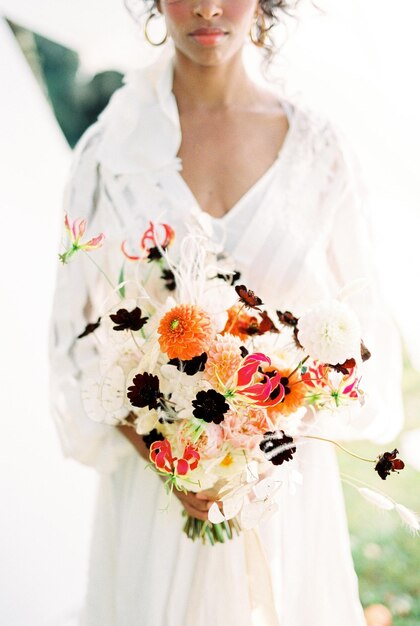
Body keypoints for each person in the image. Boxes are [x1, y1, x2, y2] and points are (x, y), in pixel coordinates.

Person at [49, 1, 403, 624]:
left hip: (284, 497)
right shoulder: (111, 151)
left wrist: (269, 423)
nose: (209, 6)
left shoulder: (319, 150)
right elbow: (75, 337)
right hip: (156, 501)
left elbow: (362, 332)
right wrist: (174, 461)